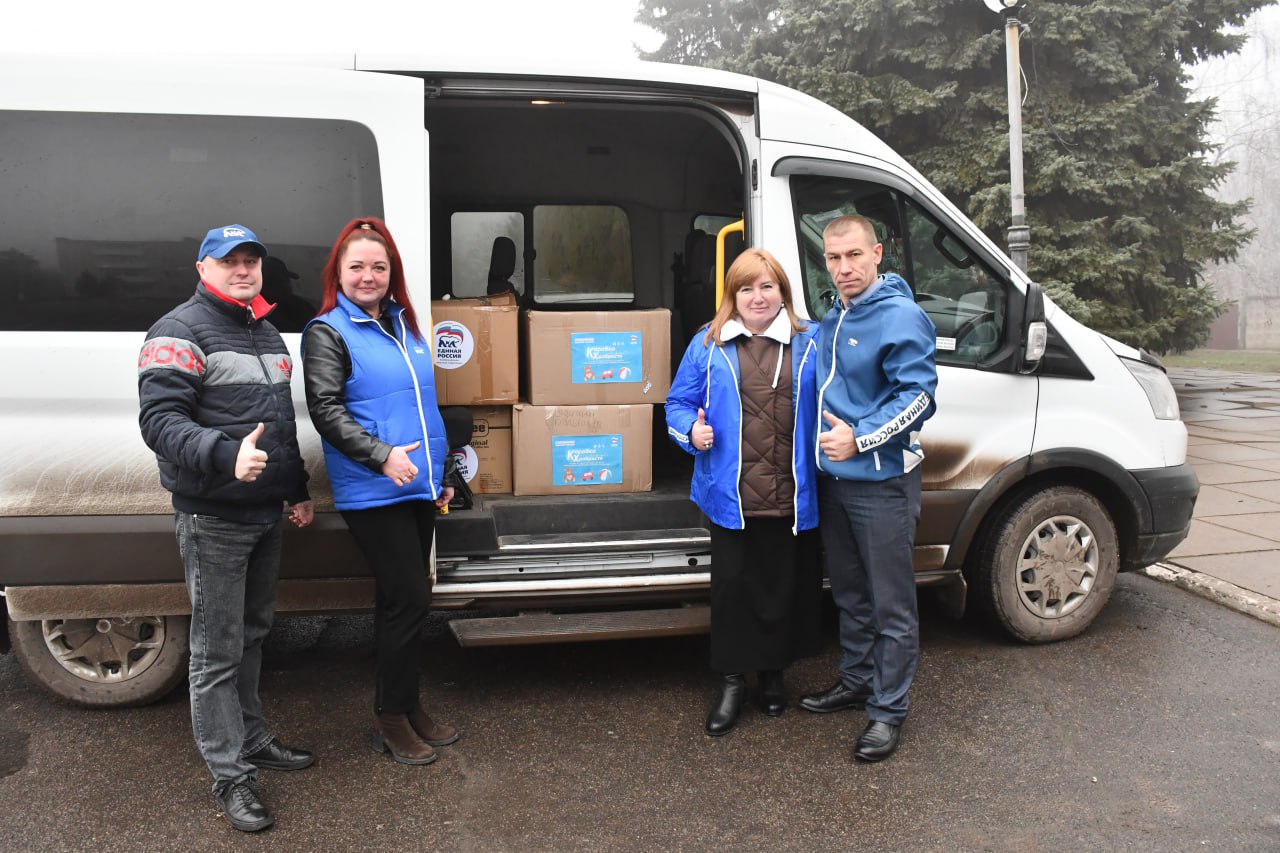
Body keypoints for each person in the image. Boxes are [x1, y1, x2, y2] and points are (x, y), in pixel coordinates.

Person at [137, 224, 315, 833]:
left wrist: (295, 488)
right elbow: (160, 422)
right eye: (228, 260)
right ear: (203, 268)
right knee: (215, 652)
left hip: (265, 512)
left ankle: (253, 739)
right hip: (213, 515)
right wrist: (223, 454)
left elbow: (278, 425)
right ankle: (231, 776)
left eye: (251, 260)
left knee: (254, 634)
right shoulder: (178, 331)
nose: (242, 270)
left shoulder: (263, 330)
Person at [301, 217, 458, 765]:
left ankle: (406, 704)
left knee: (406, 600)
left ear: (392, 274)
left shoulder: (403, 325)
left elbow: (422, 409)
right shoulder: (328, 332)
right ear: (338, 274)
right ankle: (390, 718)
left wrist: (441, 474)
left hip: (414, 483)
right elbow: (325, 410)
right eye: (357, 267)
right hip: (374, 487)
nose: (368, 276)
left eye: (379, 267)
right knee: (408, 598)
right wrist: (381, 455)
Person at [666, 248, 823, 737]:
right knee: (733, 591)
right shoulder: (708, 343)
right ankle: (733, 683)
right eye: (746, 288)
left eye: (767, 286)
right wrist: (690, 432)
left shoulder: (812, 340)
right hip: (730, 496)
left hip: (791, 492)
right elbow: (677, 404)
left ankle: (773, 675)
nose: (758, 297)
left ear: (783, 292)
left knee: (780, 588)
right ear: (732, 296)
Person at [801, 214, 938, 763]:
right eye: (834, 258)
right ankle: (857, 681)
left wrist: (858, 439)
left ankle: (888, 711)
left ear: (877, 254)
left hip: (882, 485)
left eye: (854, 255)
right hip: (835, 484)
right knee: (851, 595)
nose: (843, 268)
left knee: (891, 606)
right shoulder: (835, 314)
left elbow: (919, 398)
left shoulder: (901, 315)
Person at [260, 256, 317, 332]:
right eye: (280, 283)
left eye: (287, 280)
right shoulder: (252, 313)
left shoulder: (301, 307)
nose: (288, 285)